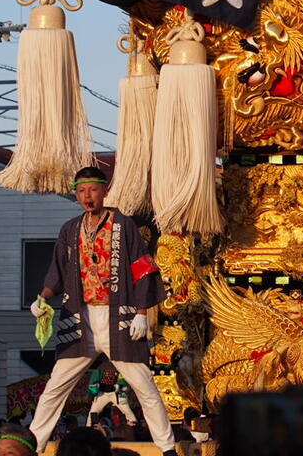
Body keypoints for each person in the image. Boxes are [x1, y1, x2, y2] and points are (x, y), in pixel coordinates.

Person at [27, 167, 176, 456]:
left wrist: (143, 312)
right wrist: (42, 299)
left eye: (93, 190)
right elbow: (56, 272)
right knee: (56, 386)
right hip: (81, 318)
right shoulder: (70, 229)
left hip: (117, 316)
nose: (87, 196)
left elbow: (143, 268)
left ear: (104, 191)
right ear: (76, 194)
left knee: (144, 385)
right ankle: (34, 444)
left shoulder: (123, 225)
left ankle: (167, 447)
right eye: (81, 191)